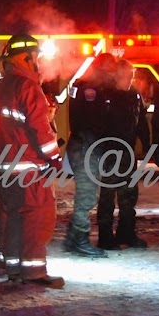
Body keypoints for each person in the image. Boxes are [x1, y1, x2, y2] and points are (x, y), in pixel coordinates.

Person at [0, 33, 65, 289]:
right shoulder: (27, 86)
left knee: (11, 216)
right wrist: (54, 157)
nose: (40, 63)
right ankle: (33, 272)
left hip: (4, 167)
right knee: (36, 217)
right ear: (27, 57)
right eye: (37, 57)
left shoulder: (1, 86)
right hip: (29, 168)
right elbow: (39, 130)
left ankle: (14, 267)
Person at [62, 54, 115, 258]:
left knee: (87, 193)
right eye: (109, 70)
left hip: (84, 143)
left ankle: (73, 238)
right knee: (87, 195)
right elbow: (92, 119)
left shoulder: (83, 84)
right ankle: (80, 239)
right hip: (87, 145)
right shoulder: (91, 88)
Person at [96, 57, 151, 249]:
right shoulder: (106, 95)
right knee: (108, 196)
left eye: (132, 76)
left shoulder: (134, 95)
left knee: (129, 196)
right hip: (109, 153)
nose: (130, 79)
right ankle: (105, 236)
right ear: (117, 75)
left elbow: (141, 121)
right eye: (127, 75)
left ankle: (126, 233)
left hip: (127, 153)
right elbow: (96, 125)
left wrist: (146, 143)